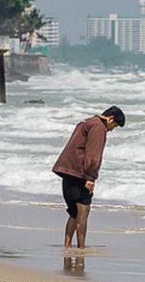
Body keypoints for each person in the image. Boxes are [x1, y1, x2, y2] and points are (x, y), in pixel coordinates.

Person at [52, 106, 125, 249]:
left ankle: (67, 247)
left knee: (74, 213)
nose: (111, 130)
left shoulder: (87, 122)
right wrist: (91, 177)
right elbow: (93, 154)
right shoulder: (99, 127)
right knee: (83, 212)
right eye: (114, 126)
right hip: (80, 173)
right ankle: (81, 249)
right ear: (110, 119)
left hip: (68, 170)